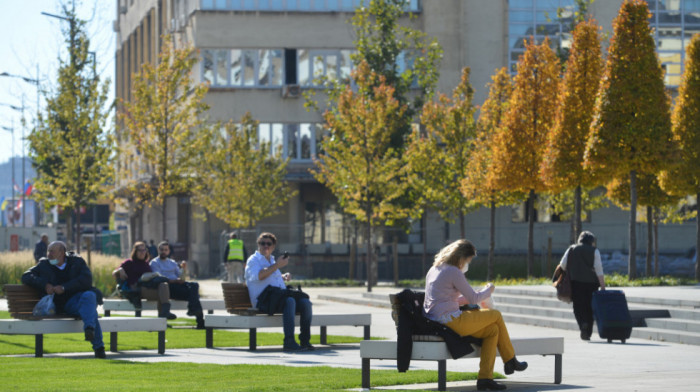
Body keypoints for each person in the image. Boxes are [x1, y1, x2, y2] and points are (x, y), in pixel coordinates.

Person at [423, 239, 527, 391]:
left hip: (438, 320)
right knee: (496, 315)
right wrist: (489, 290)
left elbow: (447, 299)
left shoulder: (435, 269)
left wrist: (477, 295)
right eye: (468, 260)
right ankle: (510, 359)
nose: (468, 264)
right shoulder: (453, 271)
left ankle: (485, 379)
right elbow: (473, 299)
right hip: (452, 321)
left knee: (493, 330)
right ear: (461, 257)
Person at [22, 241, 106, 358]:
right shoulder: (44, 264)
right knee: (91, 313)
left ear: (62, 252)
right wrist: (45, 285)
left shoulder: (77, 262)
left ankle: (90, 329)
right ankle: (98, 346)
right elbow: (26, 276)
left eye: (52, 251)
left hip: (78, 300)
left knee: (90, 296)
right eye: (48, 251)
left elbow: (86, 280)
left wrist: (64, 287)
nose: (49, 254)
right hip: (61, 305)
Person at [244, 232, 313, 352]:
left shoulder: (271, 260)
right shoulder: (253, 260)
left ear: (273, 247)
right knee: (290, 301)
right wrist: (277, 265)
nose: (265, 246)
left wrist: (282, 276)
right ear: (258, 245)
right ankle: (289, 341)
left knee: (305, 303)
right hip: (263, 301)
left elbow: (270, 275)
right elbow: (259, 275)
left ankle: (305, 341)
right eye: (262, 243)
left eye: (268, 244)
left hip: (276, 299)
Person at [559, 230, 606, 341]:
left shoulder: (571, 249)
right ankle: (588, 331)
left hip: (575, 282)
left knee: (578, 307)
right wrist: (603, 286)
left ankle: (582, 325)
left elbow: (562, 265)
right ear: (591, 241)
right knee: (589, 307)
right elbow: (599, 269)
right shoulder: (595, 251)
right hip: (592, 284)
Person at [112, 241, 177, 320]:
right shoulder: (129, 262)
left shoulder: (146, 264)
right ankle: (163, 317)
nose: (142, 252)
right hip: (136, 290)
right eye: (140, 250)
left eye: (144, 250)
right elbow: (114, 274)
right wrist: (120, 269)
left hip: (147, 288)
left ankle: (164, 314)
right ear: (135, 251)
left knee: (163, 286)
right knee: (162, 291)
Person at [150, 241, 205, 328]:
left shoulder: (172, 262)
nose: (164, 251)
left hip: (178, 285)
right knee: (194, 296)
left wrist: (184, 269)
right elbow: (159, 278)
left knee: (194, 285)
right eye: (162, 250)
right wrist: (175, 281)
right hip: (167, 287)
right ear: (158, 250)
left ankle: (192, 310)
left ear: (168, 251)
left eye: (166, 250)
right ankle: (200, 321)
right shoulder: (154, 262)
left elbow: (180, 275)